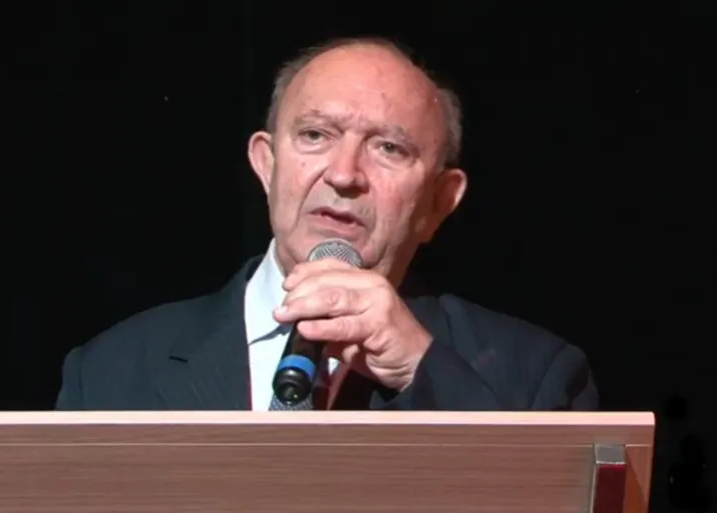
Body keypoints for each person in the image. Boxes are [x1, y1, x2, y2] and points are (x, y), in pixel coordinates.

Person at [55, 37, 598, 412]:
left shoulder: (536, 376)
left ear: (439, 201)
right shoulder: (111, 369)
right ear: (266, 165)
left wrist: (419, 368)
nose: (343, 174)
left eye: (388, 148)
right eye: (315, 136)